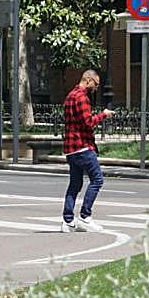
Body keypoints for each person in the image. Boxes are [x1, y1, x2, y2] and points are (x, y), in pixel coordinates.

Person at [61, 69, 112, 233]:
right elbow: (88, 122)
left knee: (75, 184)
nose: (96, 88)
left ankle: (68, 220)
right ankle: (85, 216)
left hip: (70, 148)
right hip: (82, 146)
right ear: (88, 80)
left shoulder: (70, 95)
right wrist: (103, 115)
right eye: (96, 84)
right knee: (97, 180)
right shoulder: (82, 97)